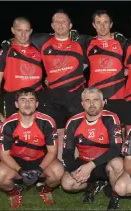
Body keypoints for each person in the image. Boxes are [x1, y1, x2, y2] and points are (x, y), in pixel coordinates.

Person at [29, 10, 88, 161]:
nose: (60, 25)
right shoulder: (42, 41)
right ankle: (63, 166)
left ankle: (79, 166)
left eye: (64, 22)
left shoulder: (80, 41)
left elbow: (95, 52)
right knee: (60, 133)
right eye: (57, 22)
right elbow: (21, 37)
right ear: (52, 25)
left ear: (70, 25)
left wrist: (73, 74)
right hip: (54, 97)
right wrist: (9, 42)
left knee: (78, 132)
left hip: (76, 95)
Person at [0, 88, 64, 209]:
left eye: (31, 100)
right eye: (23, 100)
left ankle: (45, 190)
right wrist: (20, 171)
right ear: (16, 104)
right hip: (16, 160)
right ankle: (14, 193)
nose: (27, 103)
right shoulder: (7, 125)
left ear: (37, 104)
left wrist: (39, 170)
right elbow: (4, 155)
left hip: (40, 158)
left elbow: (52, 151)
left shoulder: (47, 122)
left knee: (58, 172)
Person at [60, 88, 124, 210]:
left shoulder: (111, 118)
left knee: (117, 163)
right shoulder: (73, 121)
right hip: (84, 162)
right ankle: (93, 184)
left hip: (106, 164)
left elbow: (116, 149)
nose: (92, 104)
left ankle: (114, 195)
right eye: (87, 100)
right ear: (82, 103)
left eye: (96, 100)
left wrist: (91, 165)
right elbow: (67, 152)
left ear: (103, 102)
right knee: (67, 184)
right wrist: (73, 170)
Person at [0, 17, 43, 126]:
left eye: (26, 31)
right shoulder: (4, 52)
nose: (23, 35)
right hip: (13, 99)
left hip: (37, 97)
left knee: (39, 137)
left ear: (31, 31)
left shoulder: (39, 49)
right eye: (19, 30)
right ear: (13, 30)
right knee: (14, 137)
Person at [86, 10, 129, 119]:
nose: (102, 26)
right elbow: (78, 68)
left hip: (118, 95)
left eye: (105, 22)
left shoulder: (122, 42)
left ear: (111, 24)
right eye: (98, 22)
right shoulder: (87, 44)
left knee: (120, 132)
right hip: (96, 97)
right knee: (97, 131)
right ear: (93, 25)